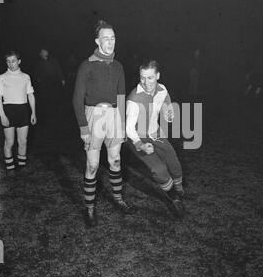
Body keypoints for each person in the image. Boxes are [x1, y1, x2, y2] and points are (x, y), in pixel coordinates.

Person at [73, 20, 134, 228]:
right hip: (94, 116)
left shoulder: (118, 66)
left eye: (113, 38)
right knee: (93, 164)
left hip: (114, 115)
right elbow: (76, 99)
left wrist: (123, 125)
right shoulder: (87, 65)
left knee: (115, 160)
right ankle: (89, 208)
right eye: (106, 38)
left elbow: (121, 96)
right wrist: (83, 128)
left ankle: (118, 199)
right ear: (97, 41)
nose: (110, 42)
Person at [126, 60, 186, 217]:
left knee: (173, 161)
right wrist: (140, 144)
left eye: (150, 78)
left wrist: (170, 114)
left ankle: (179, 189)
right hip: (138, 138)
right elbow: (128, 128)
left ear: (158, 76)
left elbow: (167, 108)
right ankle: (174, 199)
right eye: (142, 78)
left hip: (156, 134)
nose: (146, 82)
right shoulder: (134, 98)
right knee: (159, 170)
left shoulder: (163, 90)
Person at [0, 51, 36, 171]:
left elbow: (30, 95)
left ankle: (22, 165)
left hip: (23, 110)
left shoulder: (26, 77)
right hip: (8, 110)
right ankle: (10, 167)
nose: (11, 64)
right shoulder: (2, 78)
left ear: (19, 61)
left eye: (13, 61)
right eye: (8, 61)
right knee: (9, 142)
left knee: (23, 141)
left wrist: (33, 112)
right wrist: (2, 115)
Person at [33, 47, 65, 127]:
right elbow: (35, 73)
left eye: (45, 52)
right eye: (43, 52)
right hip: (44, 84)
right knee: (45, 100)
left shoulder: (53, 61)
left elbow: (59, 70)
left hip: (54, 83)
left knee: (55, 98)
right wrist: (38, 80)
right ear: (40, 54)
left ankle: (56, 115)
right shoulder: (38, 63)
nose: (45, 53)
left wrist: (62, 79)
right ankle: (47, 116)